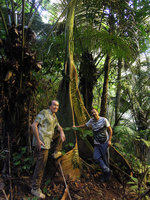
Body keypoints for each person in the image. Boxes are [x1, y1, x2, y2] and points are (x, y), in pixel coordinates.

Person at [31, 100, 66, 199]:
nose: (56, 107)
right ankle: (35, 188)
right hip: (42, 143)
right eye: (54, 105)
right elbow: (33, 125)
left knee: (59, 133)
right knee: (40, 165)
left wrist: (62, 132)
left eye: (57, 106)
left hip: (48, 142)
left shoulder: (54, 116)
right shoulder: (44, 113)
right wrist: (38, 141)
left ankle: (56, 151)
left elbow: (58, 127)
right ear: (50, 106)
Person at [73, 108, 112, 183]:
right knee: (96, 157)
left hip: (104, 143)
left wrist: (109, 140)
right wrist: (76, 127)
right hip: (96, 144)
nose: (94, 114)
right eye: (92, 113)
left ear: (97, 112)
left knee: (105, 160)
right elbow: (85, 125)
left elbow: (110, 130)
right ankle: (106, 170)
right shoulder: (91, 121)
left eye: (95, 112)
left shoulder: (104, 120)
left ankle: (107, 176)